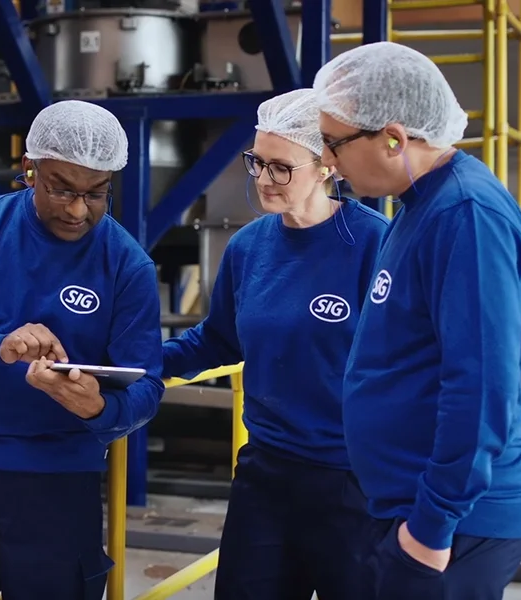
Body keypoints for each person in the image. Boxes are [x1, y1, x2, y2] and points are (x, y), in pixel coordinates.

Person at [0, 99, 164, 600]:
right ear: (29, 169)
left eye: (97, 194)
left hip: (60, 481)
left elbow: (146, 385)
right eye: (62, 189)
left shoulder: (127, 265)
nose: (79, 209)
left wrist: (102, 407)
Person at [313, 41, 521, 600]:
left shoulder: (465, 215)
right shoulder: (418, 208)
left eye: (333, 142)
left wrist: (431, 528)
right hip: (412, 508)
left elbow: (482, 384)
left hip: (452, 522)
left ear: (393, 137)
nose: (326, 160)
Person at [162, 88, 389, 599]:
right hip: (265, 475)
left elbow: (406, 364)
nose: (263, 179)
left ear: (327, 164)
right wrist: (134, 363)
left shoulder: (374, 244)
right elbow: (216, 341)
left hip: (351, 483)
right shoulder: (249, 247)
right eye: (257, 163)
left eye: (281, 167)